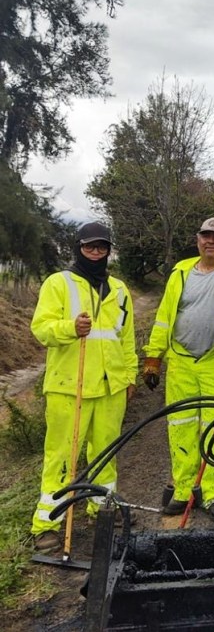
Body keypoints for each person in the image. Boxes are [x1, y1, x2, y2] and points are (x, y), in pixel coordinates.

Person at [30, 222, 137, 554]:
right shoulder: (58, 283)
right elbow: (41, 329)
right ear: (78, 248)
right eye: (89, 246)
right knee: (62, 458)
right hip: (69, 387)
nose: (95, 252)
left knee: (105, 453)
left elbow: (126, 338)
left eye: (101, 247)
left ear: (108, 250)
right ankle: (48, 524)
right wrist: (69, 327)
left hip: (110, 386)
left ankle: (102, 507)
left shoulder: (119, 289)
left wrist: (130, 376)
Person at [141, 218, 214, 523]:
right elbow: (165, 316)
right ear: (198, 240)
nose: (211, 241)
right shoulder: (180, 272)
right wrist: (153, 357)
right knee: (181, 426)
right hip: (182, 361)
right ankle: (184, 489)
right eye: (206, 236)